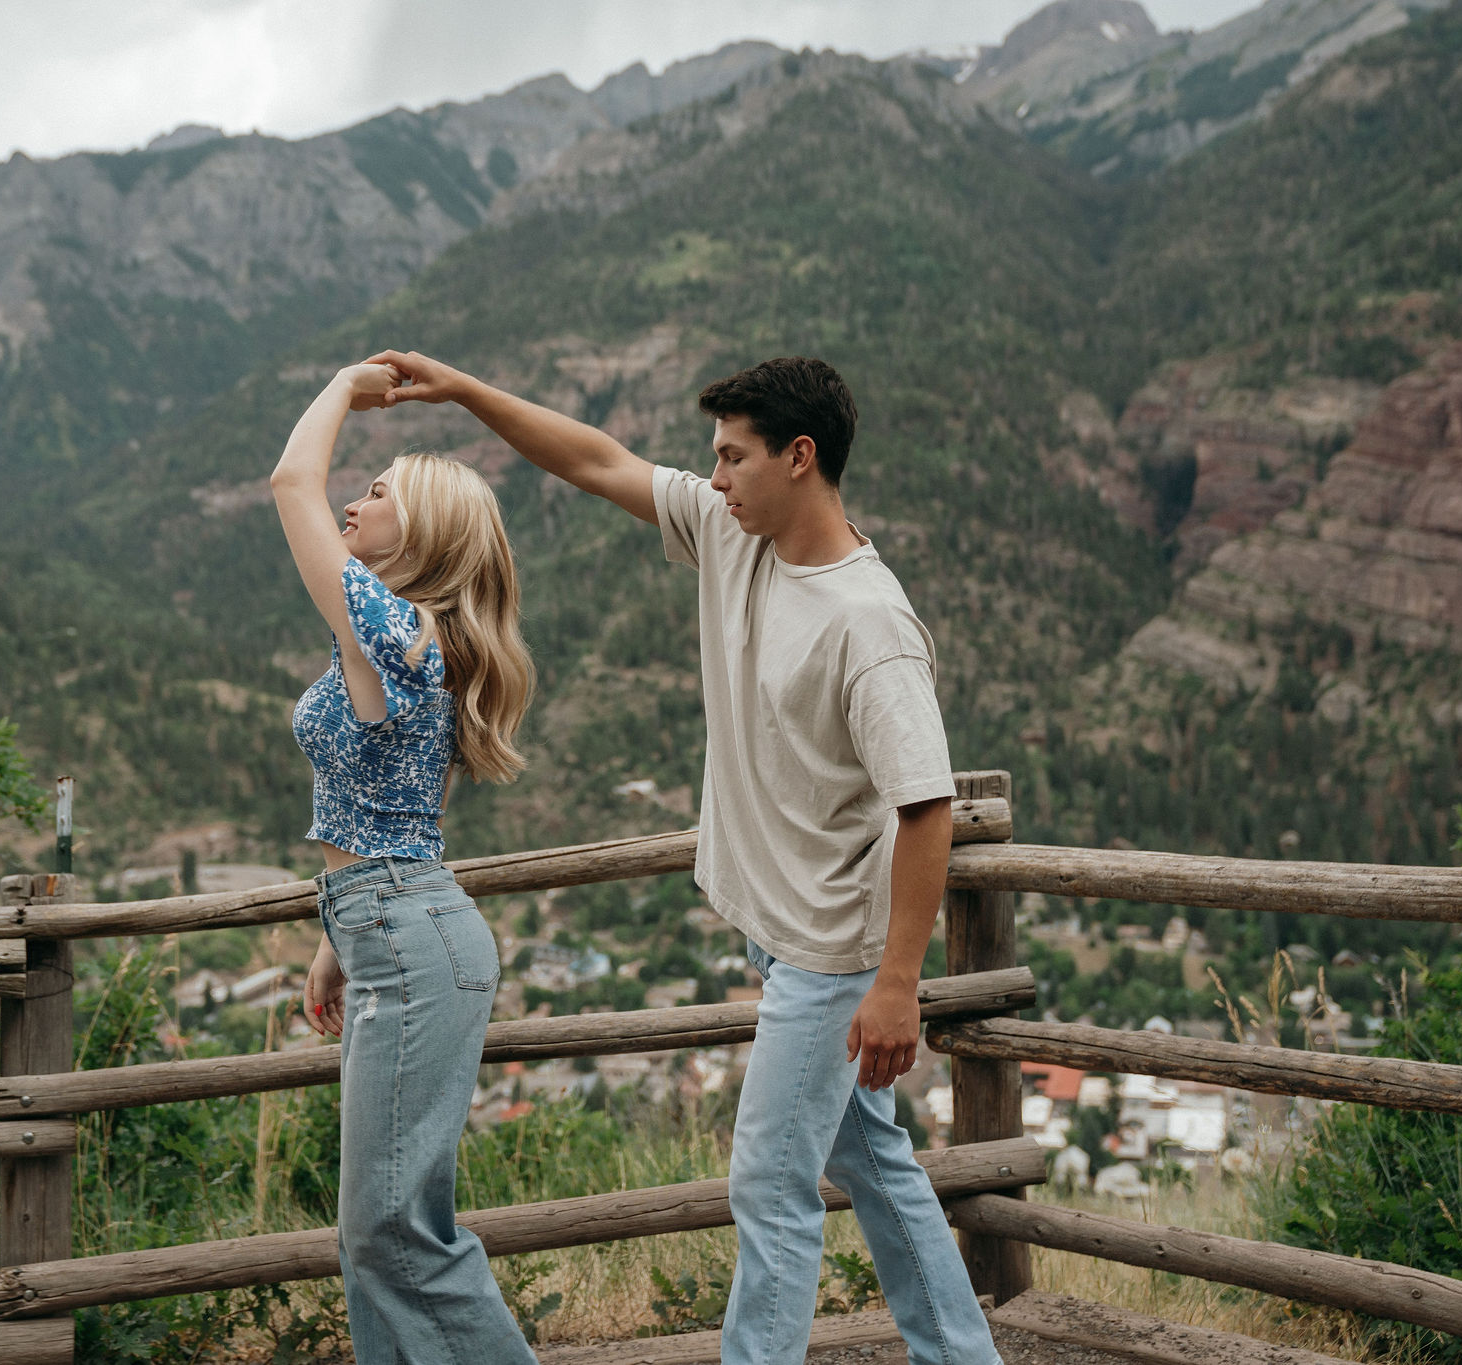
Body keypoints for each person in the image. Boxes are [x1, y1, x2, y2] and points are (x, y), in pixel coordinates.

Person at [364, 349, 1002, 1365]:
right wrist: (464, 391)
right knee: (872, 1159)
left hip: (833, 952)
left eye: (730, 457)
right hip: (780, 932)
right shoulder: (729, 534)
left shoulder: (868, 623)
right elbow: (596, 460)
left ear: (798, 458)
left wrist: (895, 984)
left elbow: (925, 809)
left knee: (769, 1187)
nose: (710, 479)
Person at [273, 361, 538, 1365]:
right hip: (389, 923)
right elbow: (391, 808)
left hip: (409, 933)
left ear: (422, 531)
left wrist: (342, 386)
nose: (353, 496)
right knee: (373, 1235)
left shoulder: (395, 627)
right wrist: (339, 931)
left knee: (396, 1232)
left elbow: (287, 485)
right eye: (363, 485)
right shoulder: (401, 635)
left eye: (379, 492)